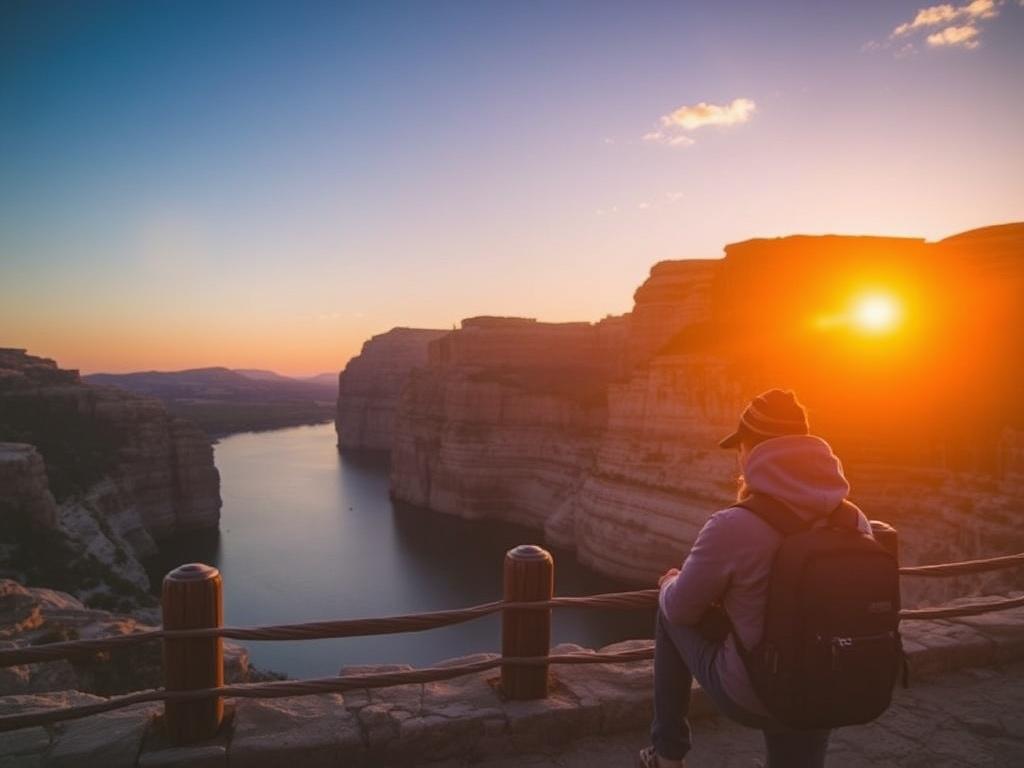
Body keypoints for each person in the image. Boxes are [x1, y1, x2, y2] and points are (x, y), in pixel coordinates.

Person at [638, 389, 874, 768]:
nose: (739, 457)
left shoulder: (735, 525)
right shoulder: (854, 519)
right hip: (835, 685)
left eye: (741, 447)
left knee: (668, 614)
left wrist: (669, 582)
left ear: (753, 450)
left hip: (756, 694)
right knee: (812, 666)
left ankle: (666, 756)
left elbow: (682, 610)